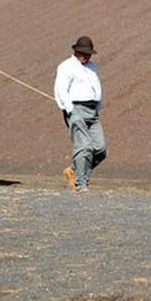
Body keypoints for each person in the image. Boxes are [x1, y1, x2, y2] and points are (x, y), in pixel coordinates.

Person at [54, 36, 107, 192]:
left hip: (92, 110)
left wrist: (98, 105)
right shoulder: (66, 66)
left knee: (100, 149)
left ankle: (73, 171)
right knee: (84, 147)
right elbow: (61, 89)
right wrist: (69, 109)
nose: (87, 56)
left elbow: (96, 86)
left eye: (89, 54)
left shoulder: (92, 66)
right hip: (76, 108)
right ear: (76, 51)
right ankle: (80, 184)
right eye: (85, 53)